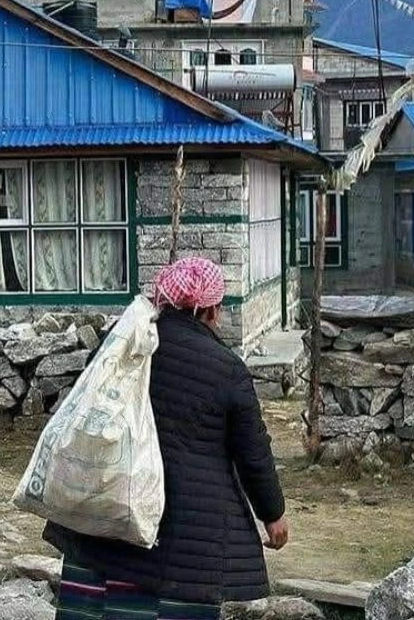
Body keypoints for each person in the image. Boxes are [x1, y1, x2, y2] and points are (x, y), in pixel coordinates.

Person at [44, 257, 289, 619]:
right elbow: (253, 454)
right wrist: (273, 514)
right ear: (211, 311)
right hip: (185, 539)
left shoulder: (122, 344)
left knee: (96, 608)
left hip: (106, 512)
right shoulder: (225, 367)